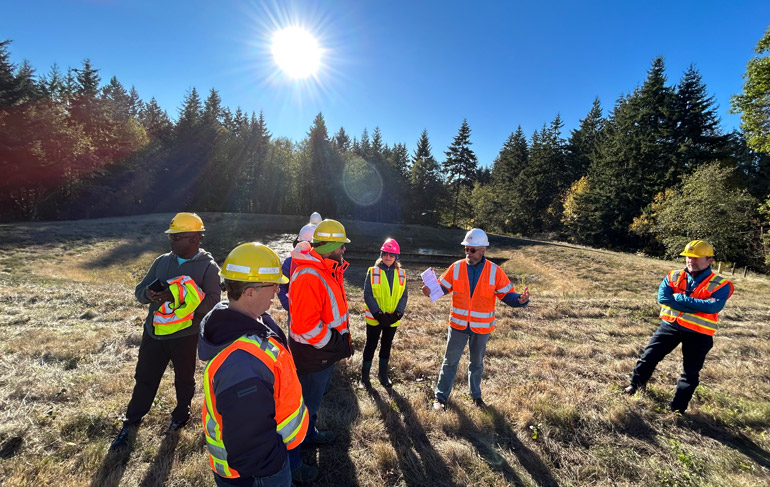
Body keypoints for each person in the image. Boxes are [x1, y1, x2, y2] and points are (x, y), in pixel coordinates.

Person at [198, 242, 315, 486]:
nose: (277, 291)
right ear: (249, 292)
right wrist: (275, 467)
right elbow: (249, 442)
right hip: (257, 473)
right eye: (272, 285)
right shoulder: (242, 363)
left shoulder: (248, 319)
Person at [110, 212, 221, 450]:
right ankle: (131, 422)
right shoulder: (162, 261)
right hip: (154, 333)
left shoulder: (208, 268)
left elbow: (212, 302)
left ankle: (181, 415)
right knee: (145, 378)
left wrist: (177, 296)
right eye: (171, 236)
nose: (171, 241)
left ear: (194, 239)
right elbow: (140, 291)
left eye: (177, 237)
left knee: (184, 380)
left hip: (185, 336)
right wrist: (148, 294)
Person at [422, 228, 529, 411]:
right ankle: (440, 398)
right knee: (450, 361)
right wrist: (429, 290)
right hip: (458, 325)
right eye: (466, 249)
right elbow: (441, 289)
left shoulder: (495, 271)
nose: (468, 253)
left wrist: (520, 301)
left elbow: (507, 295)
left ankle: (476, 396)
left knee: (477, 363)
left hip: (481, 328)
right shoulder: (456, 267)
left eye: (472, 250)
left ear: (483, 250)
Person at [623, 240, 734, 414]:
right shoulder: (673, 276)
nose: (691, 261)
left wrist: (680, 299)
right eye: (689, 257)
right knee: (648, 357)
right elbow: (664, 299)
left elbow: (712, 307)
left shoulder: (721, 284)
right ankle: (634, 386)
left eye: (697, 258)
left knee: (690, 373)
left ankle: (677, 408)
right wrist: (697, 306)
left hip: (699, 334)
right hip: (670, 326)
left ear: (710, 260)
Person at [287, 219, 354, 477]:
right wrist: (335, 343)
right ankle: (293, 466)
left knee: (312, 403)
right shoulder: (309, 275)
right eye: (342, 246)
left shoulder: (326, 268)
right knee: (301, 407)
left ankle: (309, 434)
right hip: (314, 354)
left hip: (322, 353)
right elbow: (306, 327)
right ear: (332, 246)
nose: (344, 251)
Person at [361, 238, 408, 388]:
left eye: (391, 255)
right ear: (381, 254)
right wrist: (378, 314)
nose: (388, 257)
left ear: (396, 257)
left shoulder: (402, 273)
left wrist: (398, 313)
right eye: (385, 254)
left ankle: (383, 374)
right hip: (375, 318)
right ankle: (364, 378)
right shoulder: (372, 271)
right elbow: (368, 294)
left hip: (393, 318)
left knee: (386, 345)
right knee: (370, 345)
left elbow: (404, 295)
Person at [277, 222, 317, 313]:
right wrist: (290, 305)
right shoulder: (289, 263)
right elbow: (282, 287)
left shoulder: (321, 263)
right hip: (295, 313)